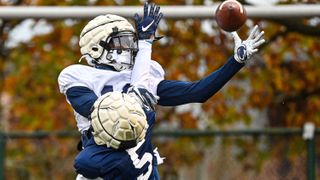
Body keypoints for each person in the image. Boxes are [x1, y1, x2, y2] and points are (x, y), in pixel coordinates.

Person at [58, 2, 265, 180]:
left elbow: (198, 92)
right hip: (103, 167)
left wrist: (236, 61)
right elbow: (108, 113)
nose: (130, 48)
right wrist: (145, 45)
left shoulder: (144, 75)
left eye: (132, 41)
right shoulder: (78, 77)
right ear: (96, 49)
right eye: (121, 41)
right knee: (85, 161)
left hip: (140, 170)